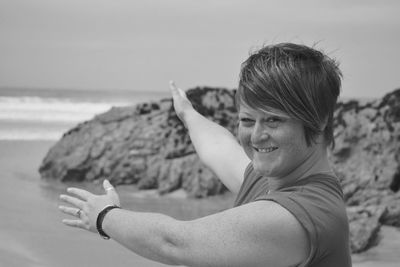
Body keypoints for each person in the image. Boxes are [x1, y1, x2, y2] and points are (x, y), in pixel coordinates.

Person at [59, 42, 351, 267]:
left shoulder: (303, 214)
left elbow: (175, 243)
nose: (257, 135)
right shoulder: (277, 180)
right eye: (248, 120)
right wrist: (188, 114)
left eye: (274, 120)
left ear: (318, 119)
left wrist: (104, 216)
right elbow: (220, 148)